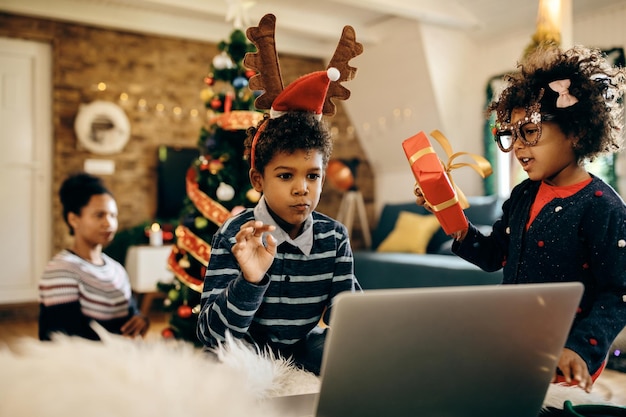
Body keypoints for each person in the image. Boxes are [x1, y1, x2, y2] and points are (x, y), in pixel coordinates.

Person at [416, 45, 626, 392]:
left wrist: (579, 349)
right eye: (511, 134)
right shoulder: (523, 194)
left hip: (563, 354)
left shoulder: (603, 207)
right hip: (513, 338)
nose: (517, 146)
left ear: (575, 131)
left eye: (529, 131)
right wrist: (451, 218)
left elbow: (619, 292)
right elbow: (494, 255)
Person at [196, 32, 362, 373]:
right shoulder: (235, 235)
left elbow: (344, 316)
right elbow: (210, 335)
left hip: (303, 347)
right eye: (286, 176)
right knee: (218, 365)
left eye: (313, 176)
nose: (302, 189)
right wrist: (250, 281)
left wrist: (360, 315)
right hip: (246, 354)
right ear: (259, 180)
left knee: (352, 357)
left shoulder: (334, 238)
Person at [39, 172, 149, 341]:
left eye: (113, 215)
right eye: (100, 215)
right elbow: (65, 336)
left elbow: (131, 313)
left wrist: (141, 320)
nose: (109, 223)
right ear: (74, 219)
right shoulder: (61, 269)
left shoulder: (116, 270)